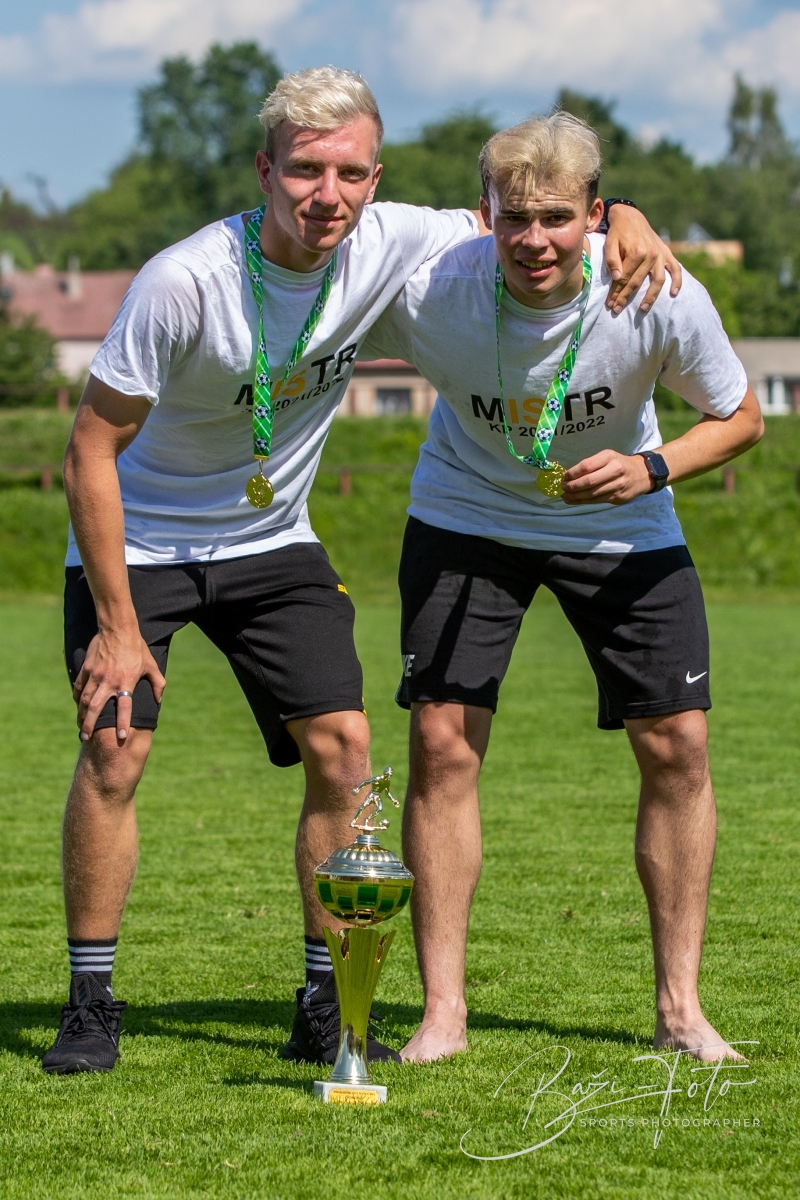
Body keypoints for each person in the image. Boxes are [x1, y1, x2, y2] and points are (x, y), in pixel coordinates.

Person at [43, 67, 677, 1074]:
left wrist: (627, 216)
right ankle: (90, 1004)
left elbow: (534, 214)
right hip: (142, 541)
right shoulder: (184, 281)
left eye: (348, 173)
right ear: (266, 172)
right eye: (304, 171)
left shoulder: (398, 240)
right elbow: (89, 448)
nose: (325, 194)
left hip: (271, 541)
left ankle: (321, 1002)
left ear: (375, 179)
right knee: (117, 748)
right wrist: (117, 628)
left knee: (345, 751)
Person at [360, 112, 763, 1065]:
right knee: (442, 745)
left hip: (623, 520)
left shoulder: (653, 287)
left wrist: (652, 469)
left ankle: (680, 1010)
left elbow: (742, 417)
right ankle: (443, 1014)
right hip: (468, 514)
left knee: (678, 745)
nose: (533, 240)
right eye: (514, 218)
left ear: (594, 215)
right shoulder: (434, 285)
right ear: (484, 214)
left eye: (555, 218)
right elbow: (323, 262)